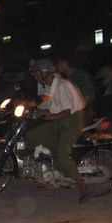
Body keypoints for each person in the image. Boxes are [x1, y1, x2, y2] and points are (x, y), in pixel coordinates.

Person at [25, 59, 91, 203]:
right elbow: (47, 103)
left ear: (44, 73)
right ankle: (50, 174)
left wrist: (51, 115)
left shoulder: (63, 85)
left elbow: (67, 110)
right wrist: (30, 109)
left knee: (61, 155)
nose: (35, 77)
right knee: (32, 136)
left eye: (37, 74)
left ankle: (82, 186)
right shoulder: (51, 86)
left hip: (72, 121)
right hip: (58, 120)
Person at [55, 54, 95, 122]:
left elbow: (87, 98)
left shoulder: (81, 76)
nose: (57, 66)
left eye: (60, 63)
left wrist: (75, 113)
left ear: (66, 63)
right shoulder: (63, 78)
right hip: (71, 112)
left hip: (84, 112)